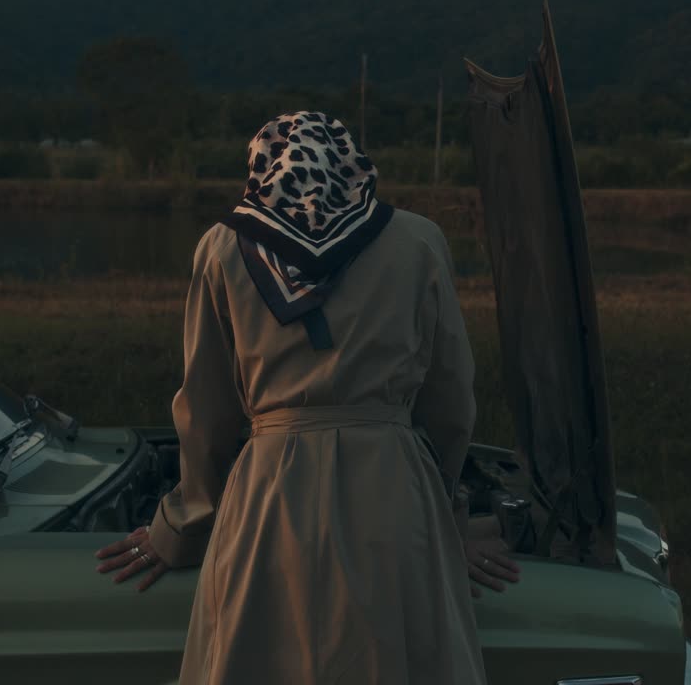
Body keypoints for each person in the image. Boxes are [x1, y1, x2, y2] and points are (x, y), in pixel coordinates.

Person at [93, 111, 488, 684]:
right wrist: (447, 520)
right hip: (395, 493)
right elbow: (452, 403)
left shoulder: (222, 248)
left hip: (268, 497)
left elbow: (206, 416)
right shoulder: (419, 241)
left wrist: (179, 530)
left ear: (259, 168)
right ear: (352, 165)